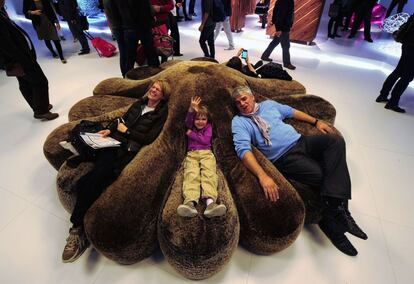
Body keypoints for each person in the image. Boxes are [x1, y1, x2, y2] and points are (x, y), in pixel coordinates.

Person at [231, 86, 368, 256]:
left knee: (335, 142)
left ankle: (337, 213)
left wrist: (316, 122)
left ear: (252, 97)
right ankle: (335, 224)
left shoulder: (268, 105)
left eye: (244, 99)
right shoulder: (239, 122)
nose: (242, 104)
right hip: (284, 157)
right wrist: (263, 176)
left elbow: (291, 112)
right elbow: (243, 151)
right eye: (238, 103)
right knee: (323, 175)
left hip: (301, 141)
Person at [61, 80, 169, 263]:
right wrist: (109, 130)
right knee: (88, 144)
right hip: (111, 141)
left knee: (88, 181)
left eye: (157, 90)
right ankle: (85, 150)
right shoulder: (138, 104)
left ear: (162, 96)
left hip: (124, 148)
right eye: (152, 87)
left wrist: (126, 132)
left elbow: (149, 138)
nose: (153, 90)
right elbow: (120, 121)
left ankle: (76, 229)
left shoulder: (160, 114)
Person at [0, 5, 59, 121]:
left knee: (25, 83)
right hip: (19, 59)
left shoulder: (1, 13)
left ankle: (39, 106)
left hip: (17, 59)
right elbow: (5, 44)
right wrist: (22, 59)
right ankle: (41, 111)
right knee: (40, 81)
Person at [177, 96, 227, 218]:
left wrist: (191, 134)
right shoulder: (191, 125)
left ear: (207, 120)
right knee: (191, 174)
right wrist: (191, 109)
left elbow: (205, 140)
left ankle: (210, 204)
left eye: (203, 119)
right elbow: (187, 122)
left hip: (206, 153)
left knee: (209, 174)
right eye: (197, 119)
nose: (200, 121)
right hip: (192, 154)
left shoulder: (208, 127)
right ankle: (190, 203)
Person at [103, 0, 160, 77]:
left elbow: (112, 13)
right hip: (141, 26)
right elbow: (148, 9)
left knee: (128, 56)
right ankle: (155, 75)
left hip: (126, 27)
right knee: (150, 52)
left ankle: (127, 77)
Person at [376, 14, 414, 113]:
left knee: (398, 71)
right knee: (406, 77)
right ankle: (392, 102)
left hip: (407, 44)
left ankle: (383, 95)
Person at [260, 0, 296, 70]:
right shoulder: (285, 1)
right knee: (286, 45)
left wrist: (273, 21)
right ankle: (287, 63)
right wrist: (279, 29)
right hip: (283, 27)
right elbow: (280, 14)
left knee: (275, 42)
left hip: (283, 26)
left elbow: (276, 11)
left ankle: (265, 56)